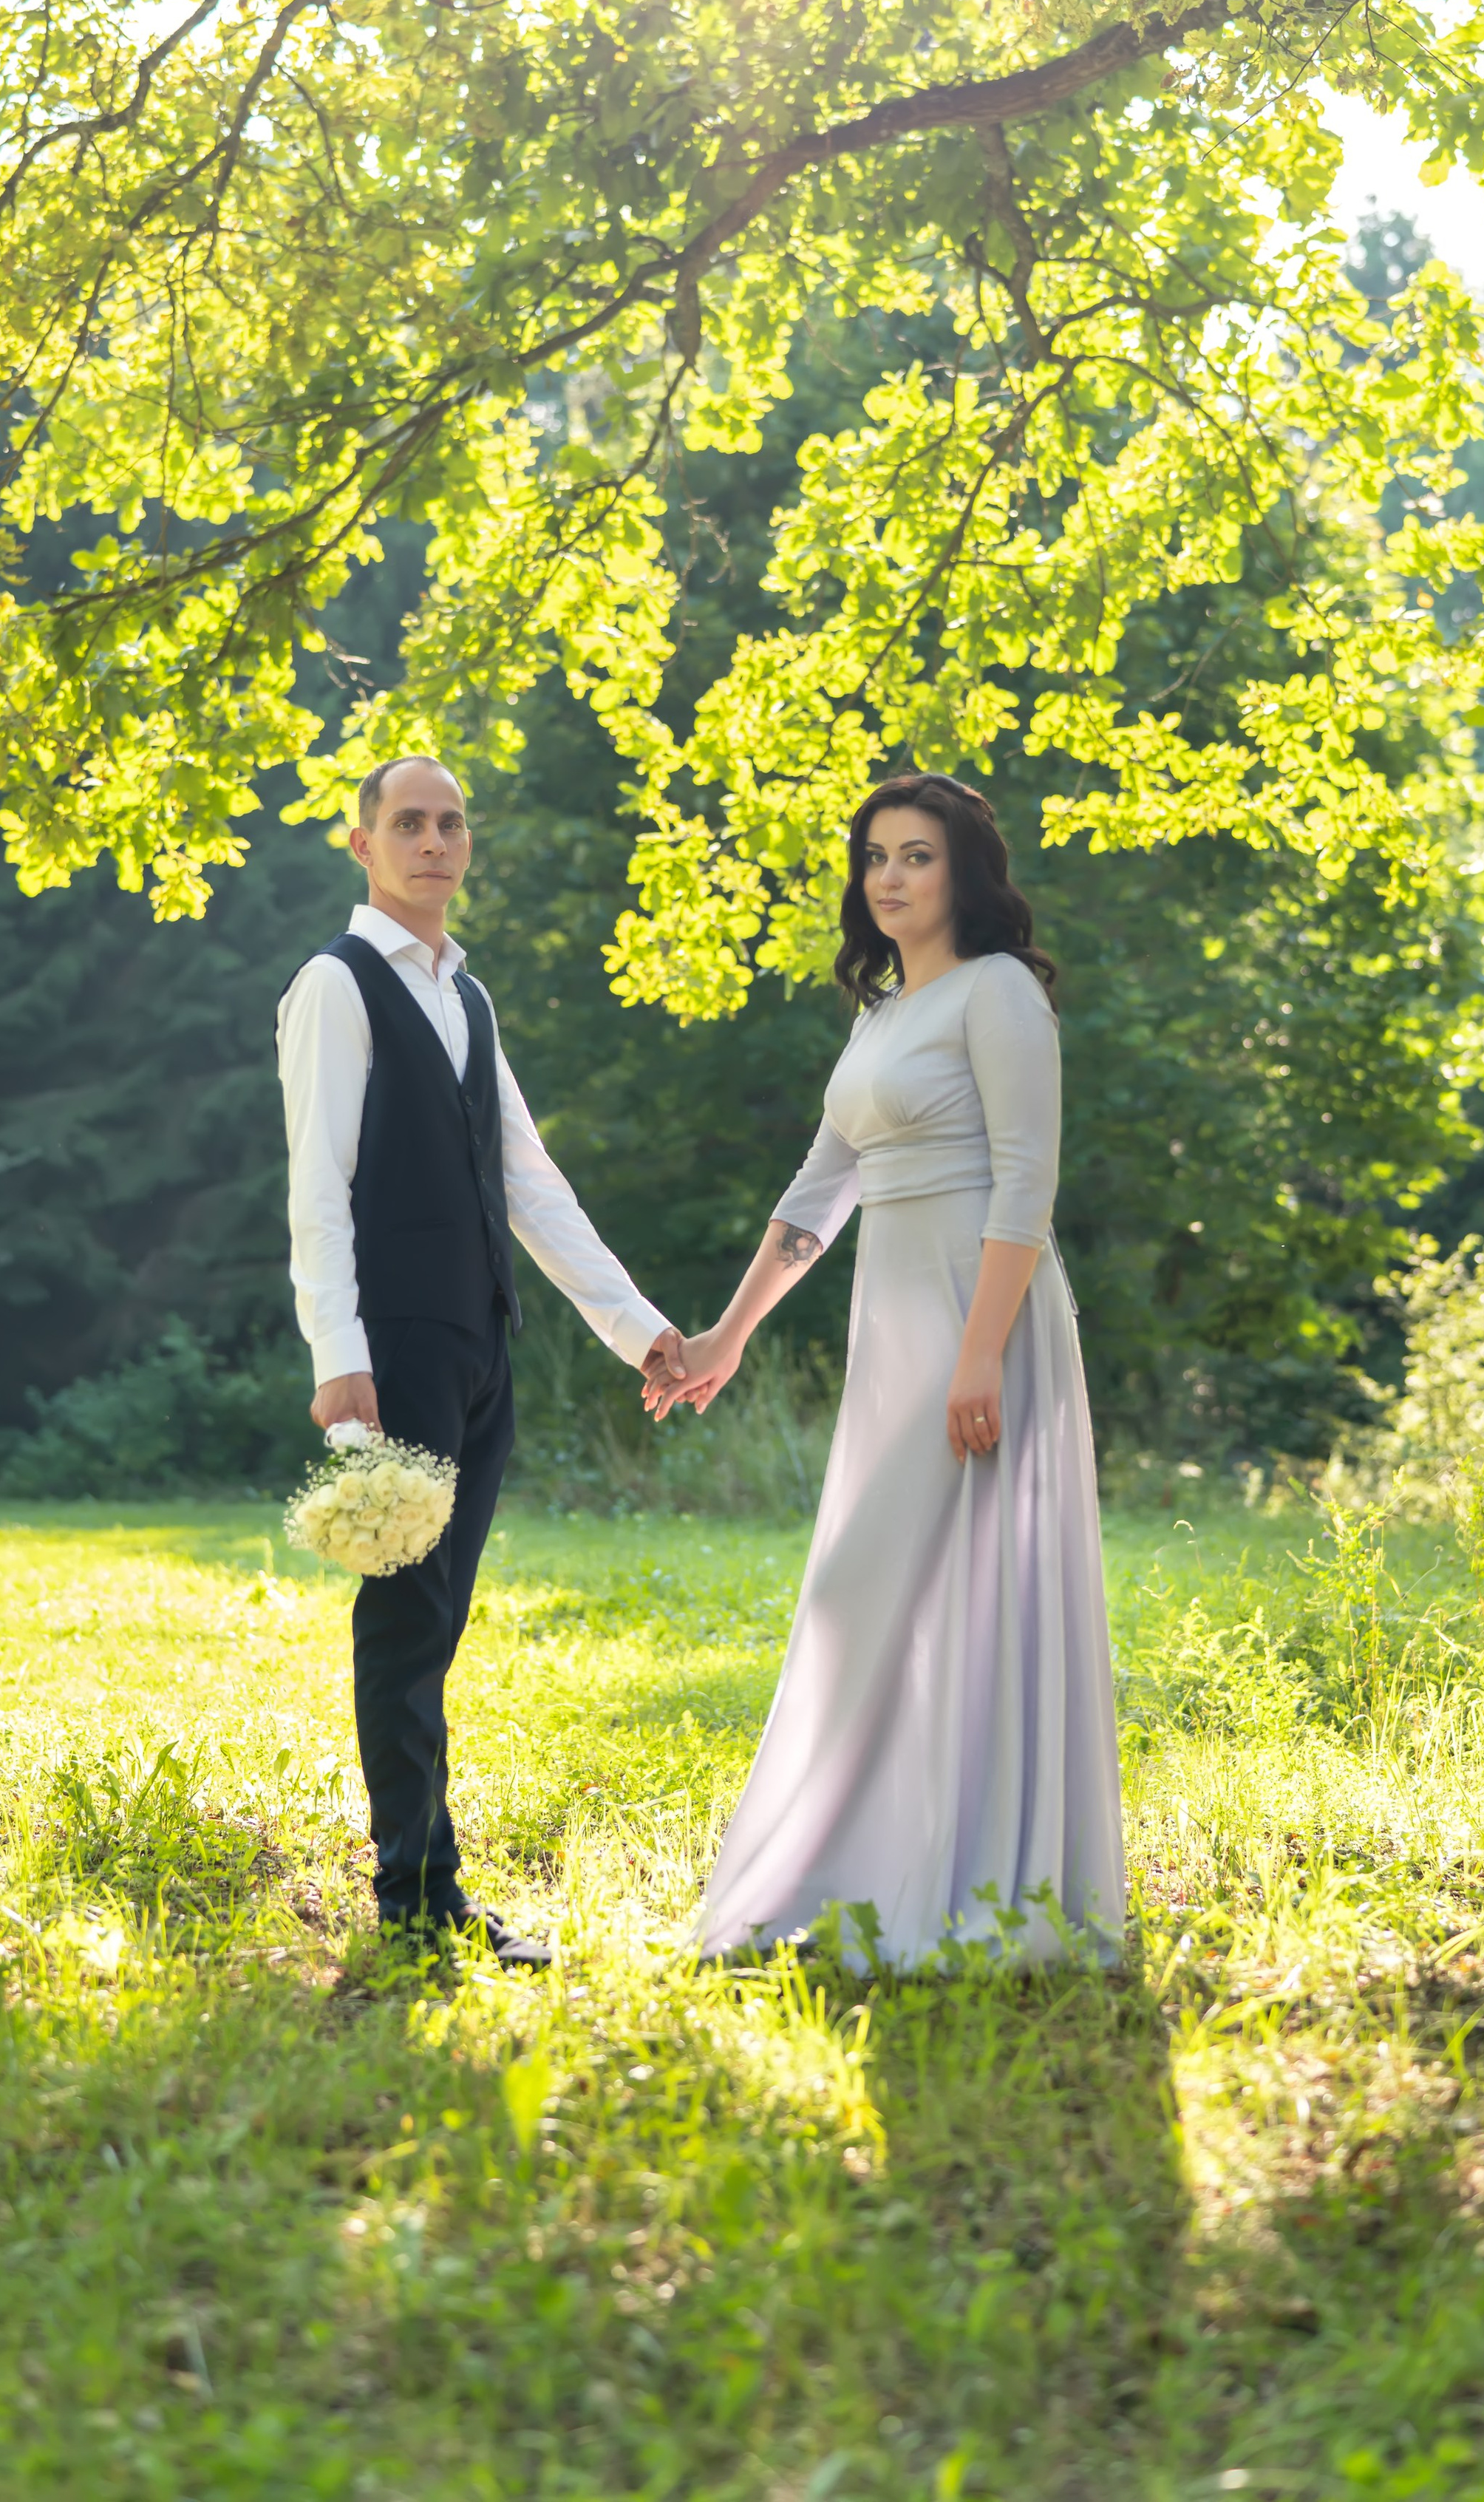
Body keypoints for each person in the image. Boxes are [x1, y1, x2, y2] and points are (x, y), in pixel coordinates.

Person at [644, 773, 1124, 1970]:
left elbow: (1027, 1179)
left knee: (952, 1593)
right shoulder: (878, 1018)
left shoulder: (998, 992)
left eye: (916, 854)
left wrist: (980, 1353)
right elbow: (818, 1193)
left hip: (986, 1314)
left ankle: (981, 1880)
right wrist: (729, 1333)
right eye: (875, 857)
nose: (892, 876)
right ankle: (864, 1863)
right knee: (871, 1593)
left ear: (963, 868)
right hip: (895, 1326)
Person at [279, 755, 687, 1965]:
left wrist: (638, 1327)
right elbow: (316, 1186)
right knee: (404, 1623)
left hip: (477, 1345)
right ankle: (416, 1902)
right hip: (393, 1348)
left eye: (452, 822)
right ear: (364, 845)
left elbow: (530, 1184)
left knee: (438, 1621)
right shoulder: (335, 985)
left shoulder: (470, 996)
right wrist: (336, 1357)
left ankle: (428, 1885)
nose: (434, 840)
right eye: (409, 822)